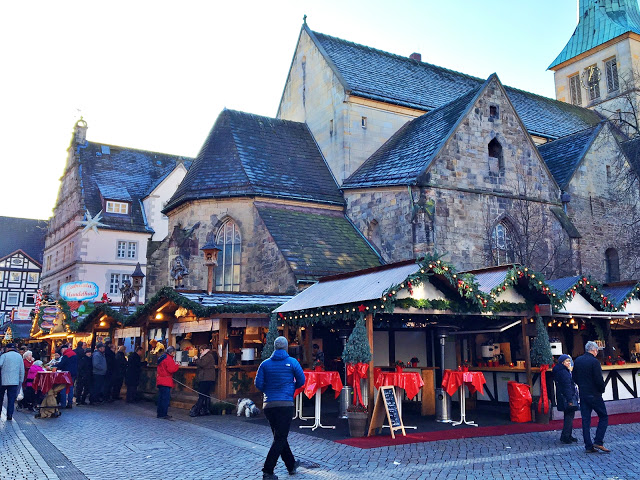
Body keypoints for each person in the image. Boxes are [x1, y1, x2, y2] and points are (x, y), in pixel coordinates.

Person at [255, 336, 305, 480]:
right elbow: (301, 381)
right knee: (280, 437)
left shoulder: (264, 364)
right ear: (286, 347)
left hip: (269, 404)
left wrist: (269, 390)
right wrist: (290, 388)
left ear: (275, 348)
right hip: (285, 404)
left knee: (279, 436)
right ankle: (268, 470)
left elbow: (258, 384)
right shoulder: (293, 362)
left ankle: (291, 464)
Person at [573, 341, 610, 453]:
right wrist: (601, 389)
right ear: (594, 350)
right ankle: (598, 441)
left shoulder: (578, 360)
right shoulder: (594, 362)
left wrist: (582, 386)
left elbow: (574, 377)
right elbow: (599, 379)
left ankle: (588, 446)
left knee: (586, 420)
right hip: (594, 394)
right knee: (603, 416)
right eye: (597, 350)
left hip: (583, 393)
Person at [553, 354, 578, 444]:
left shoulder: (561, 370)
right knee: (569, 417)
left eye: (569, 361)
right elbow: (567, 386)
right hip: (567, 397)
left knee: (569, 416)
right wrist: (570, 399)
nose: (569, 363)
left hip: (563, 396)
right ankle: (566, 436)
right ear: (562, 362)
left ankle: (567, 435)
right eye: (567, 361)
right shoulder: (563, 372)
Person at [0, 343, 25, 421]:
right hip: (14, 381)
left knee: (0, 398)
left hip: (3, 381)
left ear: (7, 349)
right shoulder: (19, 357)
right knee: (11, 399)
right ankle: (9, 415)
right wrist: (21, 380)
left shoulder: (4, 356)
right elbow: (22, 370)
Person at [192, 344, 217, 416]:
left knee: (202, 394)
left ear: (204, 350)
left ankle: (198, 410)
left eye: (201, 350)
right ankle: (206, 409)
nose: (200, 352)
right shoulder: (206, 356)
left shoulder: (208, 356)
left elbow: (202, 364)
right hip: (205, 378)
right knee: (205, 394)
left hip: (206, 378)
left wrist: (197, 359)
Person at [156, 346, 179, 420]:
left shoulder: (162, 357)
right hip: (166, 380)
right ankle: (164, 414)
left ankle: (160, 413)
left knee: (161, 398)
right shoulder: (168, 359)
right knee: (165, 398)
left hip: (160, 379)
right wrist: (177, 365)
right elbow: (171, 369)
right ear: (171, 352)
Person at [57, 344, 78, 408]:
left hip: (66, 374)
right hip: (73, 373)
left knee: (63, 388)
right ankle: (70, 403)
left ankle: (63, 404)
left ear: (63, 349)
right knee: (71, 388)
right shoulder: (74, 353)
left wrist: (53, 367)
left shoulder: (66, 355)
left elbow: (61, 364)